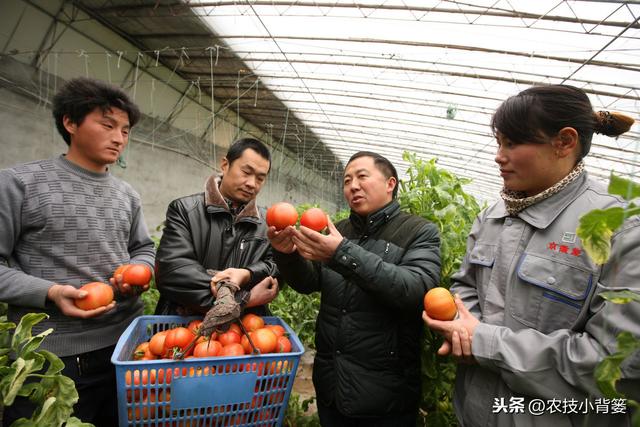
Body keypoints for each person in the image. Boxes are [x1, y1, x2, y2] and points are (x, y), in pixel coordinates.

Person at [423, 84, 639, 427]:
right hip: (477, 413)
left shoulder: (620, 230)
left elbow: (618, 364)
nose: (498, 155)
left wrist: (487, 343)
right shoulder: (493, 215)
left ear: (564, 142)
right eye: (498, 143)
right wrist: (465, 326)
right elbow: (465, 284)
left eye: (512, 143)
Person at [0, 77, 155, 426]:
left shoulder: (127, 195)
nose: (119, 138)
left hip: (126, 347)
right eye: (108, 125)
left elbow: (143, 248)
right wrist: (50, 292)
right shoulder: (20, 184)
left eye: (126, 130)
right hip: (54, 360)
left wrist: (139, 272)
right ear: (70, 122)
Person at [268, 151, 441, 425]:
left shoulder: (419, 232)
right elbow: (309, 281)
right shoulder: (339, 229)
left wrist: (342, 252)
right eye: (347, 180)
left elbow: (416, 290)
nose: (353, 186)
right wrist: (286, 254)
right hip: (331, 387)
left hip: (384, 398)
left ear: (390, 184)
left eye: (362, 177)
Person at [154, 137, 279, 317]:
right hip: (187, 323)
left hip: (244, 332)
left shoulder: (267, 222)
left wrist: (248, 273)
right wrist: (244, 298)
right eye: (246, 172)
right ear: (225, 165)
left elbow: (275, 270)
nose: (252, 183)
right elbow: (174, 272)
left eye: (260, 178)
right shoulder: (185, 210)